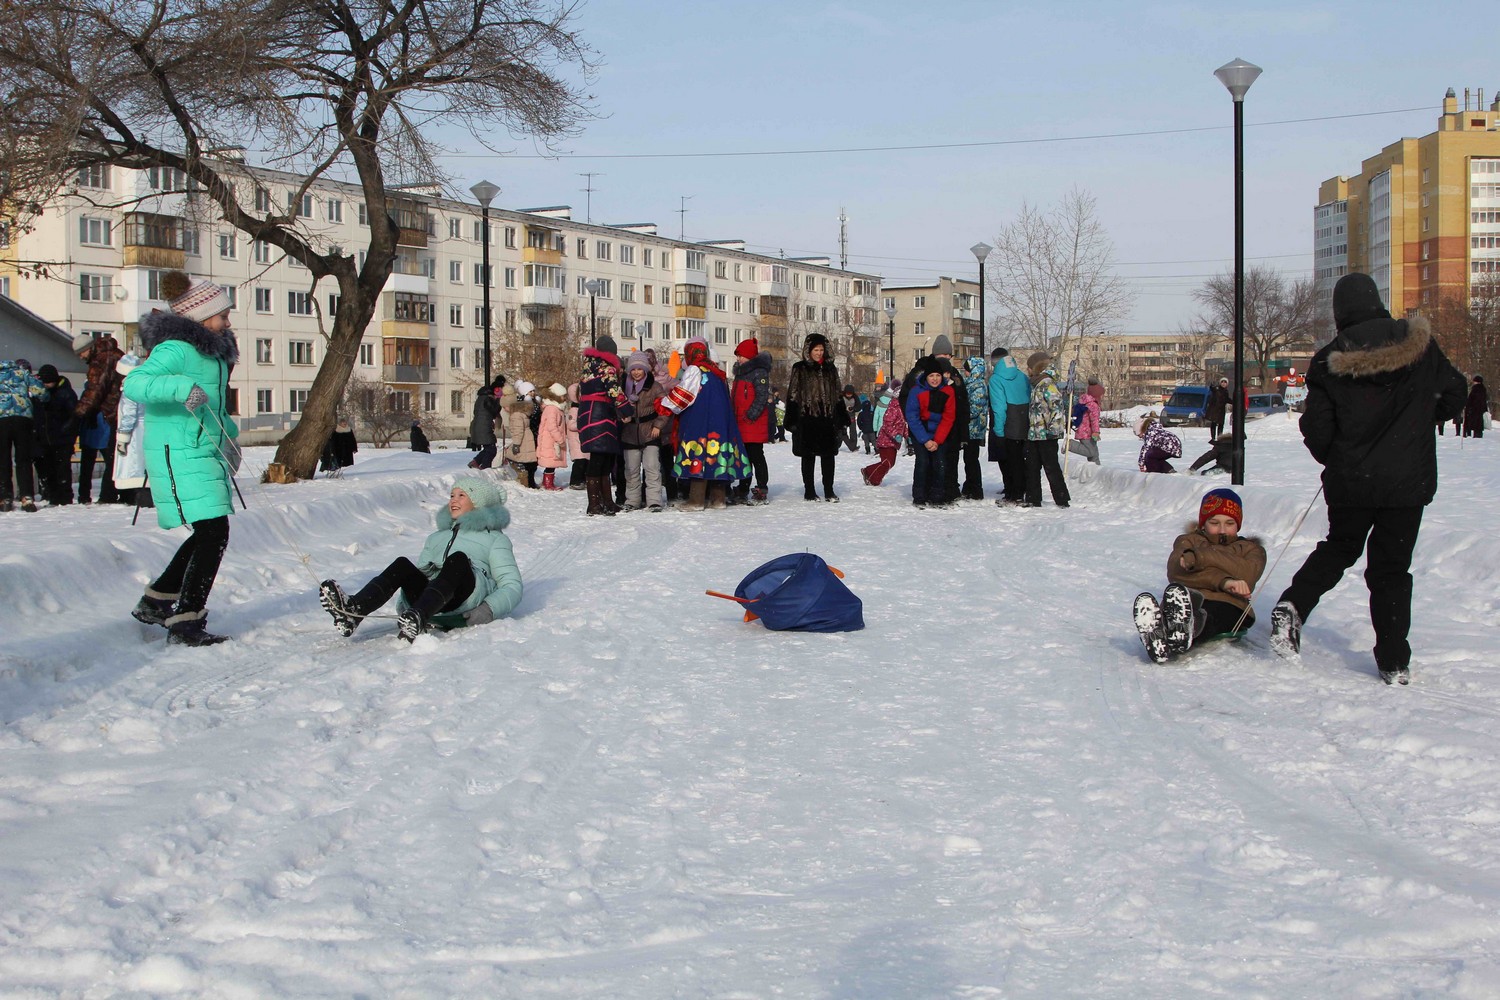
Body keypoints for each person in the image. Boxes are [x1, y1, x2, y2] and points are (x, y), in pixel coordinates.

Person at [1269, 272, 1467, 684]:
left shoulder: (1328, 360)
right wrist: (1416, 423)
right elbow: (1454, 394)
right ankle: (1394, 661)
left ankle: (1293, 607)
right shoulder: (1420, 346)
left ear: (1340, 313)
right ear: (1377, 302)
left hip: (1352, 480)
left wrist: (1338, 457)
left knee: (1339, 548)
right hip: (1407, 483)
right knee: (1391, 569)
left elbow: (1317, 427)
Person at [123, 271, 241, 646]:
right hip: (178, 450)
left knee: (210, 532)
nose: (228, 322)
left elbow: (214, 408)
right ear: (202, 316)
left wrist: (230, 441)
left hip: (203, 449)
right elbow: (134, 383)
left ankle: (158, 602)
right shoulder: (175, 349)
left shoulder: (212, 355)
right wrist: (179, 387)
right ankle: (185, 620)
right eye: (222, 315)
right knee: (213, 531)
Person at [319, 478, 522, 643]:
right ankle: (354, 611)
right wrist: (404, 605)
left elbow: (511, 584)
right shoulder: (436, 538)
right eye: (452, 495)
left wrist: (488, 609)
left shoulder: (495, 539)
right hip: (430, 602)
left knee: (458, 559)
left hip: (465, 599)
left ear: (479, 504)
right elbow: (420, 573)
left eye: (462, 495)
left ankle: (418, 615)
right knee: (402, 564)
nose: (453, 500)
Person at [1135, 488, 1267, 662]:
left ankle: (1182, 630)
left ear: (1238, 524)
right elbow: (1176, 572)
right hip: (1189, 598)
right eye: (1214, 522)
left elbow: (1247, 575)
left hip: (1229, 604)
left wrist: (1199, 558)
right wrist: (1225, 581)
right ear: (1203, 523)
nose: (1222, 530)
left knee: (1214, 612)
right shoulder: (1188, 541)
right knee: (1182, 602)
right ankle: (1164, 633)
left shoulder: (1251, 549)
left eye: (1229, 523)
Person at [657, 337, 749, 511]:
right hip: (721, 422)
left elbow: (684, 395)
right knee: (717, 457)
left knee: (698, 455)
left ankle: (696, 500)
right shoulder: (716, 371)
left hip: (700, 420)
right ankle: (718, 499)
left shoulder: (694, 369)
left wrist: (663, 404)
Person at [785, 332, 847, 502]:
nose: (819, 353)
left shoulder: (830, 369)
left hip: (827, 419)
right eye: (816, 350)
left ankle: (829, 490)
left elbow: (837, 394)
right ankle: (810, 491)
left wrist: (842, 416)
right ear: (809, 351)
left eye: (821, 349)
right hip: (808, 419)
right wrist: (791, 418)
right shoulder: (800, 368)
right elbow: (793, 394)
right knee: (808, 457)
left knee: (828, 457)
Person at [576, 335, 631, 516]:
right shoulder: (607, 368)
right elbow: (615, 391)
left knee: (602, 457)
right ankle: (596, 504)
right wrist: (627, 410)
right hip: (601, 415)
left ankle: (604, 502)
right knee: (601, 458)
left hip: (588, 414)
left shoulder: (587, 368)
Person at [73, 332, 125, 504]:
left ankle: (107, 495)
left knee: (111, 457)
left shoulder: (101, 360)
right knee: (116, 456)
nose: (81, 357)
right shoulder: (113, 354)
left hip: (112, 412)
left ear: (89, 348)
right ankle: (121, 493)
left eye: (81, 353)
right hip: (120, 409)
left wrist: (78, 413)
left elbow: (95, 390)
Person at [619, 354, 668, 510]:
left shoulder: (655, 386)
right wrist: (621, 416)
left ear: (645, 370)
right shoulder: (623, 387)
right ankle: (632, 500)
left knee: (652, 468)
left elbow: (664, 408)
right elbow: (616, 405)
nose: (636, 372)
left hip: (650, 432)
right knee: (631, 470)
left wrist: (658, 426)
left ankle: (654, 500)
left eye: (640, 369)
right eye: (633, 369)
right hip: (629, 433)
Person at [1023, 352, 1070, 508]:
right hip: (1035, 434)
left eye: (1029, 367)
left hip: (1047, 435)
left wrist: (1053, 431)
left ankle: (1061, 498)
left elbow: (1057, 409)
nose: (1027, 370)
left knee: (1051, 467)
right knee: (1032, 467)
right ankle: (1033, 498)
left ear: (1036, 367)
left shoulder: (1047, 384)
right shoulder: (1037, 385)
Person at [905, 366, 957, 507]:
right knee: (922, 463)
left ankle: (937, 496)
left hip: (940, 434)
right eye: (931, 376)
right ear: (926, 377)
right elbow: (912, 416)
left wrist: (937, 440)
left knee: (940, 464)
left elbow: (948, 417)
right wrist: (925, 440)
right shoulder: (916, 391)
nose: (935, 379)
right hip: (920, 432)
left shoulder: (948, 391)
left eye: (938, 375)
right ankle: (919, 496)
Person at [730, 338, 773, 504]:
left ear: (749, 356)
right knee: (744, 458)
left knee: (756, 455)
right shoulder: (740, 373)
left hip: (753, 423)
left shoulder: (759, 372)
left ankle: (761, 487)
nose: (738, 359)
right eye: (737, 356)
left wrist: (750, 415)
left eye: (740, 355)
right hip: (741, 422)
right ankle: (743, 487)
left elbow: (761, 397)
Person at [1, 358, 46, 512]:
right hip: (22, 419)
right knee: (23, 459)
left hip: (1, 420)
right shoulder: (22, 373)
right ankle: (26, 497)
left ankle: (4, 497)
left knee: (3, 459)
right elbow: (41, 392)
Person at [988, 347, 1030, 504]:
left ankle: (1013, 494)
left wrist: (998, 430)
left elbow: (999, 407)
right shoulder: (1022, 375)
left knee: (1009, 460)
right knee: (1019, 459)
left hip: (1008, 423)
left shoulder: (995, 380)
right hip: (1023, 421)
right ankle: (1021, 490)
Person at [32, 364, 79, 506]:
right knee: (49, 469)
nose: (46, 385)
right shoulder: (40, 393)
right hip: (45, 438)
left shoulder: (65, 393)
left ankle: (65, 497)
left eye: (48, 382)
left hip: (62, 438)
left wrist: (67, 430)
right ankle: (53, 496)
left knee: (62, 469)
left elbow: (74, 415)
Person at [112, 349, 150, 506]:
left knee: (133, 467)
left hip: (134, 433)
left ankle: (138, 498)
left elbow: (128, 415)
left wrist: (123, 437)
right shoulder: (143, 385)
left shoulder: (129, 389)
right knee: (143, 466)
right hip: (145, 430)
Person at [862, 380, 908, 486]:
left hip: (893, 441)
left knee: (889, 462)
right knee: (888, 462)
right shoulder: (894, 407)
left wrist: (907, 435)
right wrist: (895, 435)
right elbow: (887, 424)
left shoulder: (902, 408)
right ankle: (871, 475)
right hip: (886, 440)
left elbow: (902, 424)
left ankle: (870, 473)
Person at [960, 356, 989, 499]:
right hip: (970, 428)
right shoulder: (971, 384)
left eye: (966, 370)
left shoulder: (978, 386)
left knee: (971, 459)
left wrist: (961, 415)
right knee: (969, 459)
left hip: (974, 428)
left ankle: (975, 488)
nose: (965, 373)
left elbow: (975, 408)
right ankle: (970, 486)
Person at [502, 385, 538, 488]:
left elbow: (518, 431)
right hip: (527, 439)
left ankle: (525, 481)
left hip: (522, 441)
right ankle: (530, 482)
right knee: (529, 462)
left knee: (513, 457)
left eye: (504, 407)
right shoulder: (522, 413)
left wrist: (516, 444)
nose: (504, 409)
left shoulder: (515, 415)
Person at [535, 383, 569, 491]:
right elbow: (552, 427)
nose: (564, 398)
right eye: (562, 395)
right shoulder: (552, 409)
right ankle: (548, 483)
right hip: (550, 441)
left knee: (551, 464)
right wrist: (560, 440)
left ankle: (548, 482)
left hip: (552, 441)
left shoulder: (556, 408)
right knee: (550, 463)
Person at [467, 379, 502, 469]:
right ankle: (485, 467)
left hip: (480, 426)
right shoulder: (487, 399)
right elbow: (494, 411)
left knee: (488, 448)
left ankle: (475, 462)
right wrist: (499, 399)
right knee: (491, 449)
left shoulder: (481, 398)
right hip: (483, 427)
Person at [1068, 381, 1103, 465]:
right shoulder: (1093, 405)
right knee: (1091, 452)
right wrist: (1096, 432)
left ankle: (1095, 469)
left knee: (1094, 454)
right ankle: (1070, 445)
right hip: (1087, 433)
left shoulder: (1085, 402)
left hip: (1084, 431)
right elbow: (1094, 420)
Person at [1205, 377, 1231, 441]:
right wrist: (1212, 385)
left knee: (1221, 424)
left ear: (1227, 384)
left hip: (1221, 410)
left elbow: (1227, 399)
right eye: (1222, 382)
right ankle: (1213, 438)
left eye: (1225, 382)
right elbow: (1212, 389)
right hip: (1214, 409)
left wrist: (1234, 402)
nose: (1223, 383)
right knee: (1214, 423)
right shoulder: (1217, 389)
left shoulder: (1226, 391)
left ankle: (1219, 437)